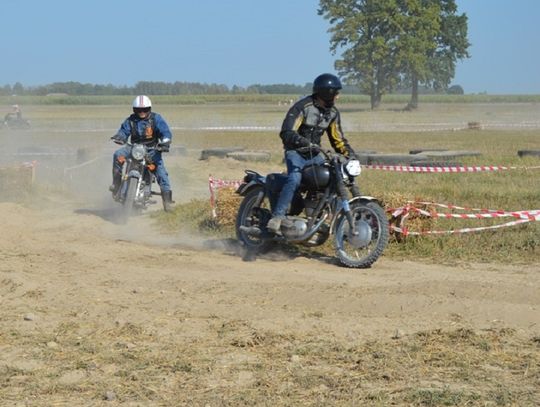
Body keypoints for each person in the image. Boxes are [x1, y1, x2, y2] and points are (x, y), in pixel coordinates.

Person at [267, 73, 359, 233]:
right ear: (327, 93)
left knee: (333, 177)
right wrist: (302, 142)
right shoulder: (303, 107)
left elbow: (338, 139)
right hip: (296, 152)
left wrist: (351, 156)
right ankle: (278, 216)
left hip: (316, 154)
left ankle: (325, 216)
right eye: (336, 93)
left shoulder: (332, 113)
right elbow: (287, 132)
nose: (338, 96)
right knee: (295, 179)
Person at [110, 95, 174, 212]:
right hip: (133, 149)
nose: (142, 112)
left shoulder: (156, 119)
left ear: (149, 109)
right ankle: (116, 184)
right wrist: (119, 137)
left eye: (145, 109)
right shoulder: (130, 121)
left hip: (152, 151)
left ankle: (167, 202)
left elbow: (165, 133)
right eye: (139, 110)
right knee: (117, 155)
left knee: (162, 174)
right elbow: (123, 132)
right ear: (134, 110)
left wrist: (165, 142)